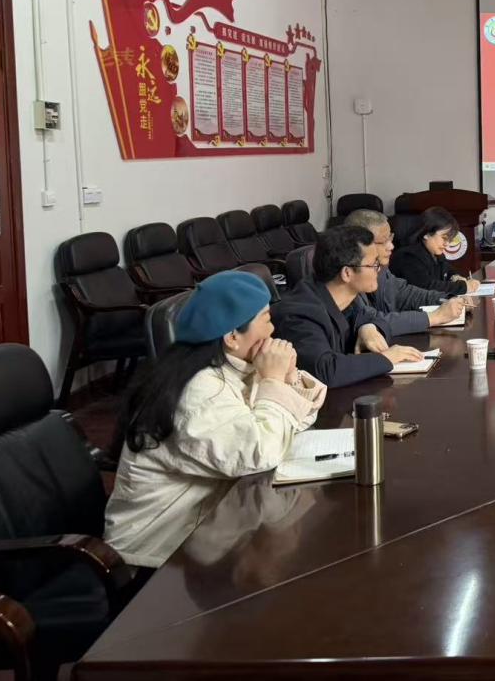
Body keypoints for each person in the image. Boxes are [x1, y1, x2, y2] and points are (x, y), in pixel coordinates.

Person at [104, 271, 326, 568]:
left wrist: (285, 378)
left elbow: (300, 418)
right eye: (266, 320)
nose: (273, 330)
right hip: (154, 555)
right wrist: (273, 381)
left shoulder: (233, 367)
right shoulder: (197, 392)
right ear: (232, 337)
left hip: (206, 530)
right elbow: (259, 453)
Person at [273, 225, 423, 387]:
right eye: (373, 264)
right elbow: (325, 371)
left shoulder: (347, 298)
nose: (378, 269)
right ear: (347, 273)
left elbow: (373, 317)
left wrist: (368, 327)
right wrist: (387, 357)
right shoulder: (299, 314)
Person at [342, 209, 468, 334]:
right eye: (383, 241)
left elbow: (405, 294)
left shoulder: (381, 270)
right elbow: (373, 321)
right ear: (359, 245)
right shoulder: (347, 279)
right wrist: (434, 317)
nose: (391, 246)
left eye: (390, 238)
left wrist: (448, 299)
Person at [390, 206, 481, 297]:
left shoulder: (436, 254)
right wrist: (463, 287)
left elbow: (448, 271)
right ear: (426, 234)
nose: (447, 244)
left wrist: (455, 277)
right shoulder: (408, 257)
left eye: (449, 240)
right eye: (444, 238)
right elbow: (426, 286)